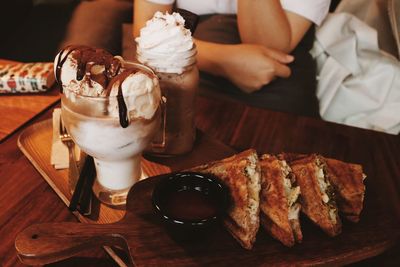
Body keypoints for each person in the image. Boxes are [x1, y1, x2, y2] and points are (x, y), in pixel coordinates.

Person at [133, 0, 331, 117]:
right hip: (187, 66)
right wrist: (222, 61)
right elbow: (146, 31)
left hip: (275, 79)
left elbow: (267, 47)